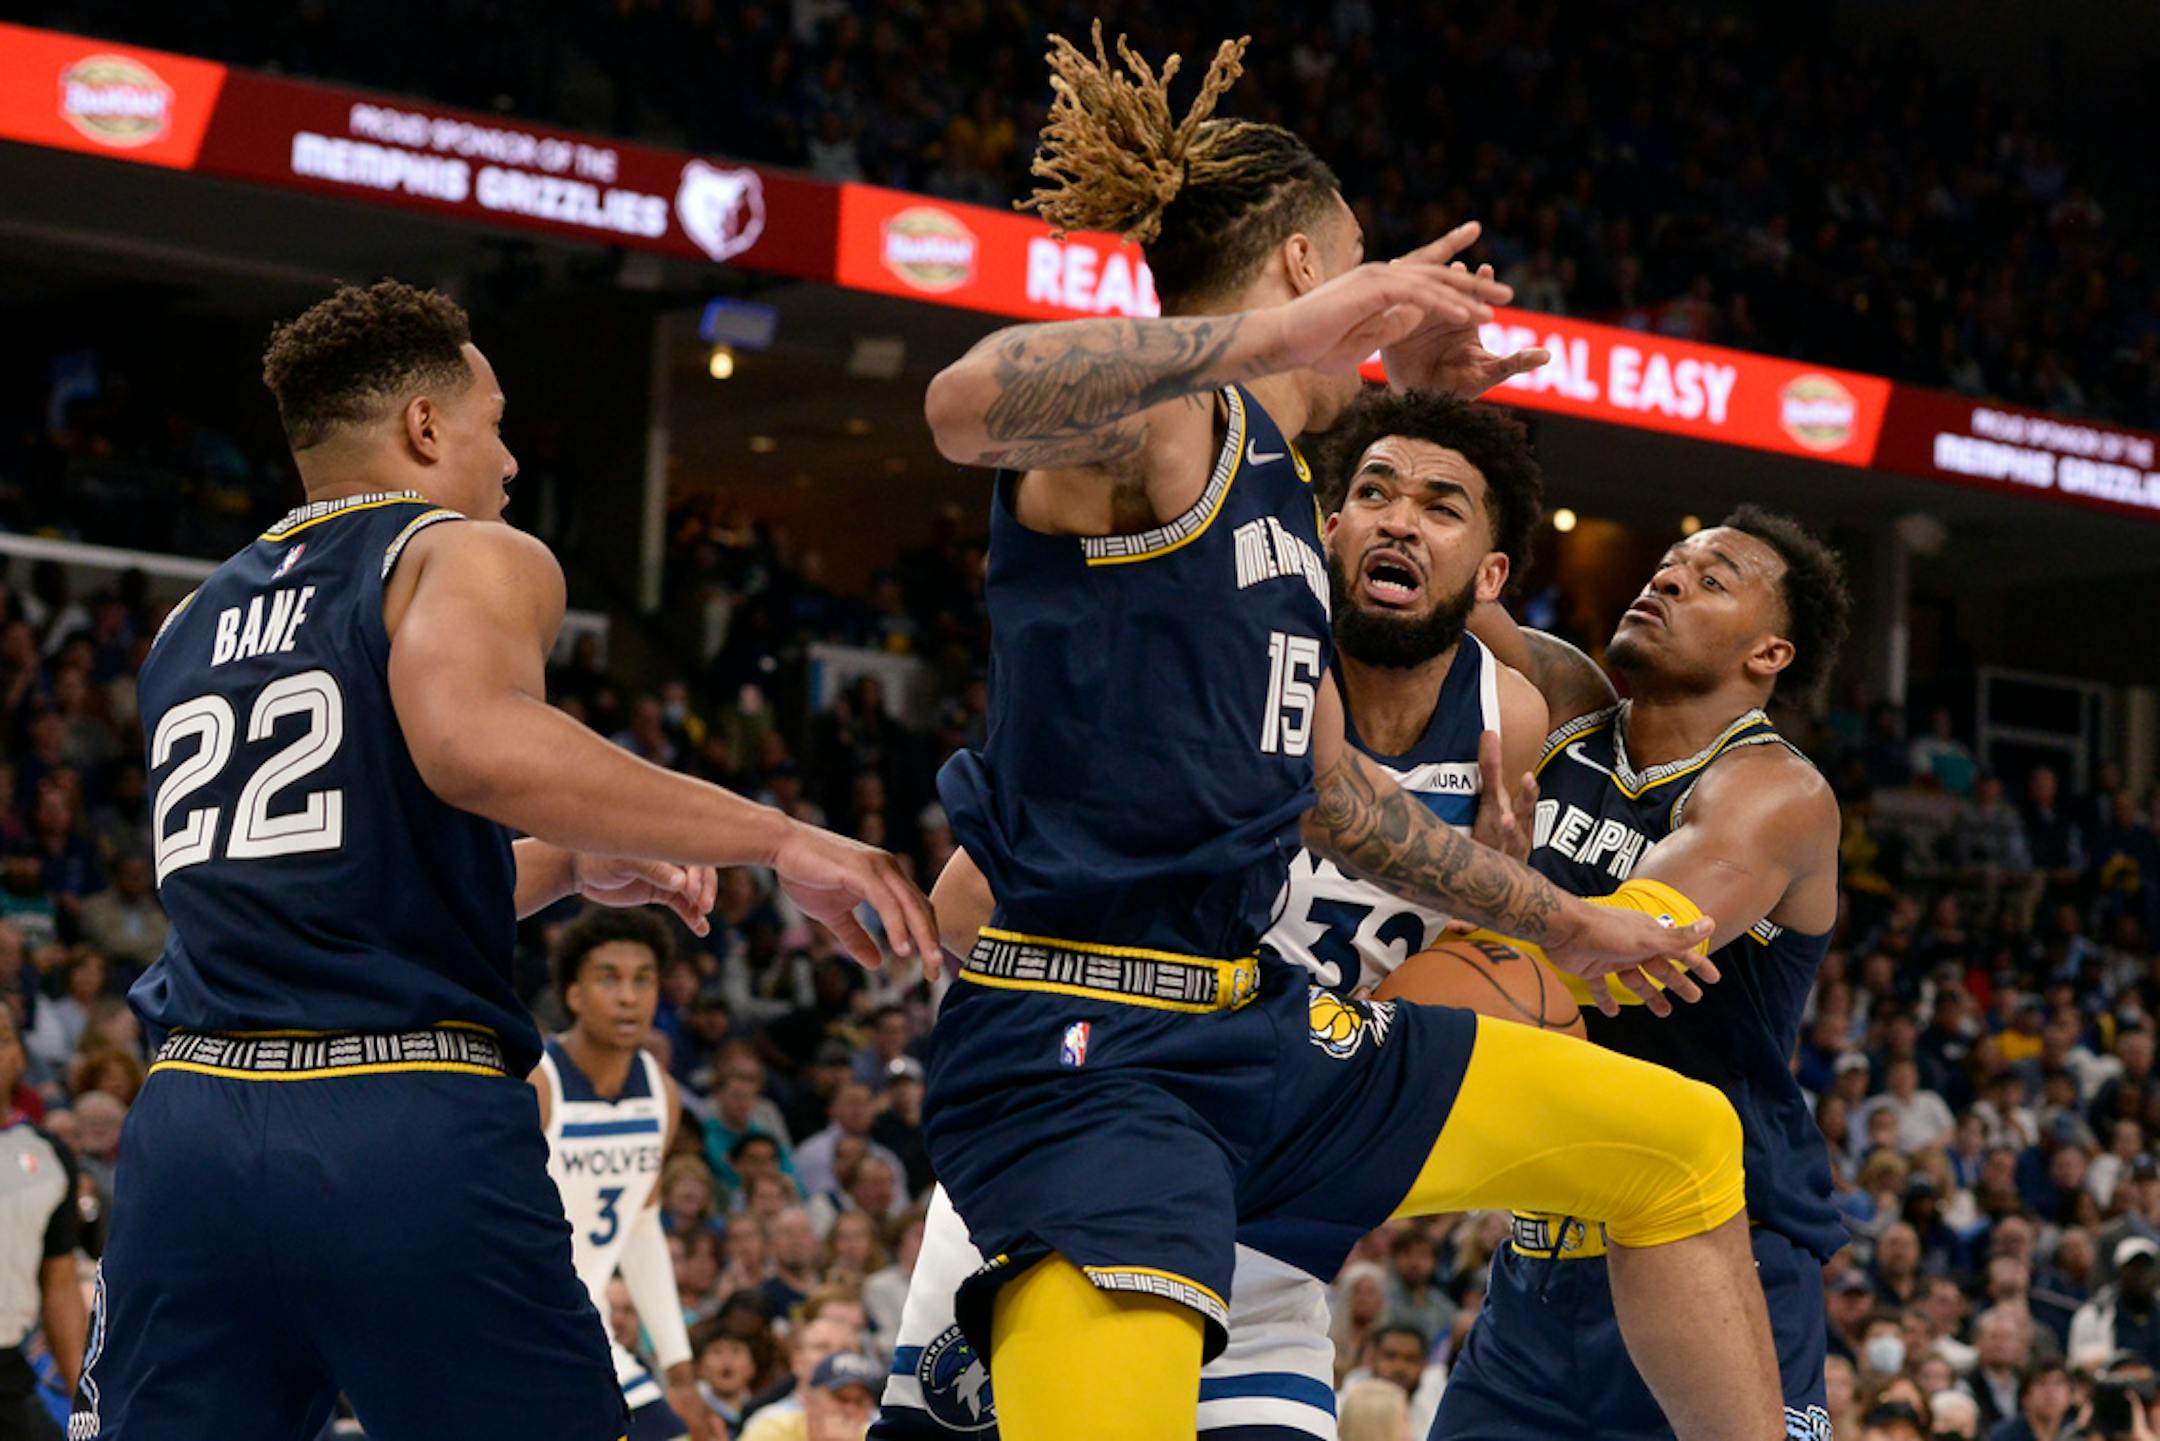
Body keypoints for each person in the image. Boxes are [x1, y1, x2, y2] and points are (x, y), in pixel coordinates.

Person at [915, 29, 1784, 1440]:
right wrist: (1297, 337)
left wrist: (1570, 924)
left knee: (1680, 1143)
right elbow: (965, 403)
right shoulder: (1174, 427)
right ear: (1309, 265)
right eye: (1365, 269)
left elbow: (1338, 796)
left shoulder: (1274, 491)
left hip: (1249, 1025)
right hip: (1093, 1057)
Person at [79, 280, 938, 1441]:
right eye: (496, 425)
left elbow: (321, 885)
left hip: (189, 1131)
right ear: (425, 426)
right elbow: (475, 746)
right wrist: (780, 836)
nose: (513, 462)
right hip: (394, 1121)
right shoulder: (460, 552)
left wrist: (566, 863)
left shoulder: (186, 625)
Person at [870, 389, 1599, 1441]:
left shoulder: (1506, 717)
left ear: (1489, 575)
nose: (1400, 520)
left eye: (1439, 507)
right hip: (1091, 1144)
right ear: (1326, 531)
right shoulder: (1224, 669)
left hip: (1273, 1179)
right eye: (1375, 494)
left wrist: (1484, 904)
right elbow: (961, 913)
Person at [1439, 502, 1851, 1440]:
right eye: (1669, 564)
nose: (1666, 579)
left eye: (1711, 581)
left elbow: (1613, 953)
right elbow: (1439, 592)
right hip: (1541, 1267)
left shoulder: (1773, 791)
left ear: (1770, 654)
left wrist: (1473, 896)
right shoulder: (1566, 706)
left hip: (1719, 1250)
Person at [531, 906, 720, 1440]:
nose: (629, 997)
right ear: (573, 995)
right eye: (608, 978)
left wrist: (679, 1372)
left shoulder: (661, 1092)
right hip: (515, 1328)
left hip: (588, 1330)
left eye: (643, 980)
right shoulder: (538, 1085)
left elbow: (641, 1230)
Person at [0, 1008, 85, 1438]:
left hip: (7, 1373)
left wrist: (84, 1403)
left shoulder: (48, 1157)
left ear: (20, 1056)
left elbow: (61, 1286)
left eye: (2, 1039)